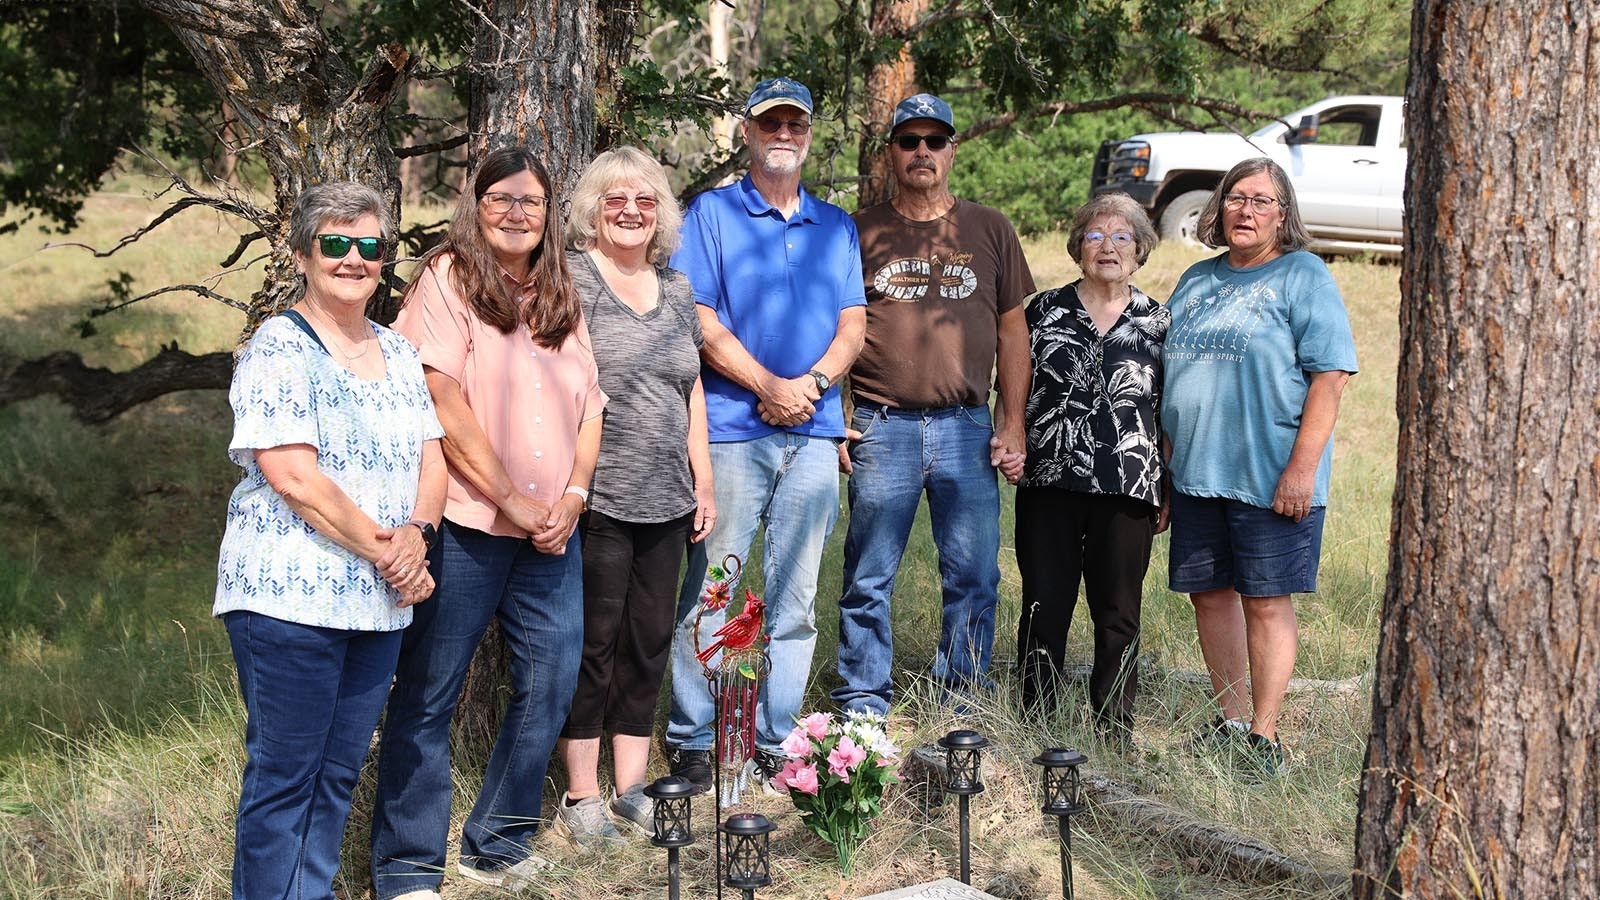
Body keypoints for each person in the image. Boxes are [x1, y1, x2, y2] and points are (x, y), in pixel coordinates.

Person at [370, 148, 605, 895]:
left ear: (549, 216)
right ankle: (406, 867)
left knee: (551, 682)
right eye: (500, 198)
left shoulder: (558, 291)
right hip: (472, 525)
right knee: (429, 692)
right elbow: (438, 396)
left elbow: (592, 407)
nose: (515, 212)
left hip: (552, 537)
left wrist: (569, 498)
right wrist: (511, 499)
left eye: (530, 201)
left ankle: (497, 843)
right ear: (476, 206)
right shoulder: (448, 279)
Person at [214, 181, 446, 900]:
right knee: (286, 779)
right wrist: (390, 552)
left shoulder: (399, 352)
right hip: (290, 601)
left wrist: (419, 534)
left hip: (376, 606)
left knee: (338, 774)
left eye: (369, 246)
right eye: (335, 244)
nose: (353, 258)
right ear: (303, 254)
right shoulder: (279, 348)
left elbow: (430, 458)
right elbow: (293, 476)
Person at [664, 77, 867, 791]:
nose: (784, 133)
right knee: (714, 590)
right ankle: (695, 738)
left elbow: (853, 325)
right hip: (729, 431)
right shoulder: (711, 214)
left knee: (795, 598)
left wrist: (808, 388)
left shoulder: (835, 225)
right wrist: (766, 387)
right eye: (769, 123)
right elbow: (699, 318)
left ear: (809, 134)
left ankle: (774, 738)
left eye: (796, 123)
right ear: (745, 133)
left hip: (813, 434)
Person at [832, 92, 1034, 717]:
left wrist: (1012, 424)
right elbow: (832, 327)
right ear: (890, 152)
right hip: (879, 423)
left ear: (952, 151)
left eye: (935, 141)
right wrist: (834, 419)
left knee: (973, 575)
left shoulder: (990, 228)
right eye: (909, 141)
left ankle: (965, 699)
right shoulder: (857, 230)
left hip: (967, 426)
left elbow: (1013, 333)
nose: (922, 151)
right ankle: (864, 701)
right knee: (869, 575)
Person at [1162, 158, 1358, 776]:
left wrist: (1302, 471)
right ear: (1218, 209)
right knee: (1208, 596)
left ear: (1283, 214)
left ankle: (1264, 738)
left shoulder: (1304, 276)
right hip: (1195, 472)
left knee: (1266, 602)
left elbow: (1330, 377)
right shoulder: (1195, 280)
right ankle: (1230, 722)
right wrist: (1163, 473)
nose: (1246, 211)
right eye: (1236, 199)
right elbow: (1168, 380)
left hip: (1270, 475)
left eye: (1262, 201)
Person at [552, 146, 716, 844]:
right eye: (615, 199)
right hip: (599, 500)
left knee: (649, 643)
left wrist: (702, 478)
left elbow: (692, 389)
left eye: (645, 200)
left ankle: (631, 788)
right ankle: (581, 796)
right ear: (593, 210)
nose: (630, 211)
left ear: (661, 214)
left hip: (669, 502)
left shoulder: (677, 289)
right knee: (595, 646)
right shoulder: (573, 279)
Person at [1013, 193, 1169, 741]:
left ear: (1140, 250)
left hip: (1129, 484)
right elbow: (1012, 387)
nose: (1108, 246)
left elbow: (1165, 407)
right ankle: (1035, 721)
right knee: (1043, 602)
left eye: (1122, 236)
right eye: (1095, 235)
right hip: (1049, 479)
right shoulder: (1041, 311)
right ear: (1078, 247)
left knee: (1119, 609)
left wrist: (1166, 482)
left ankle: (1113, 727)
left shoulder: (1158, 321)